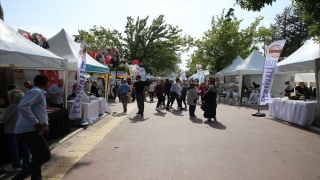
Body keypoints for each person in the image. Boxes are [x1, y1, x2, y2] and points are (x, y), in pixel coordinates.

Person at [13, 75, 51, 180]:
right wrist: (35, 123)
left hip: (32, 130)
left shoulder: (38, 92)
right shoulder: (36, 92)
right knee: (45, 155)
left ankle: (36, 178)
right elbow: (22, 106)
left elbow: (42, 111)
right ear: (46, 83)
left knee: (37, 155)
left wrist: (45, 123)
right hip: (29, 130)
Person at [0, 90, 30, 173]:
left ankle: (16, 165)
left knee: (14, 148)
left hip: (11, 130)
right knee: (24, 146)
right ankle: (27, 161)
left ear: (13, 97)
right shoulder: (24, 105)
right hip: (22, 129)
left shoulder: (12, 106)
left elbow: (5, 119)